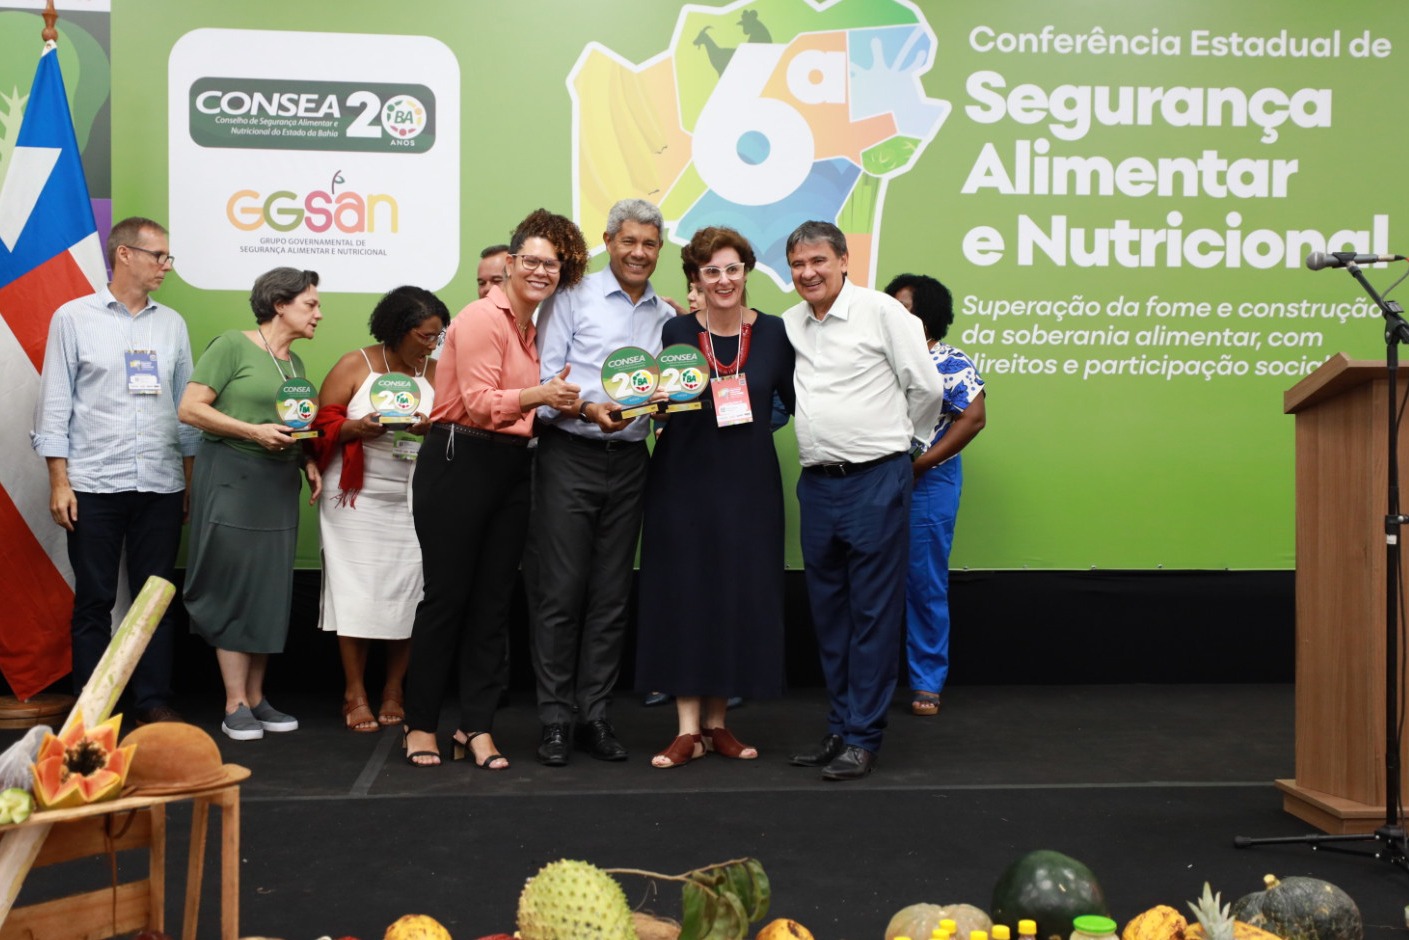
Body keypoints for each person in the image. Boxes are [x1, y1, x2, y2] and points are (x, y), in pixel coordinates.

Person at [401, 209, 587, 768]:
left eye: (552, 264)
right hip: (459, 458)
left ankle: (475, 728)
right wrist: (541, 396)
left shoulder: (532, 328)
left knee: (492, 606)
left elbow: (526, 409)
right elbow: (481, 405)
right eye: (531, 260)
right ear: (510, 262)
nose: (541, 271)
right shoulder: (484, 316)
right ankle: (420, 724)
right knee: (447, 600)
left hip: (511, 465)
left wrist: (572, 405)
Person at [782, 221, 944, 781]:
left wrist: (905, 446)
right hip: (817, 485)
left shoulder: (883, 312)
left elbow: (927, 387)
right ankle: (839, 727)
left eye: (818, 261)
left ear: (844, 260)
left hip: (876, 480)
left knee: (873, 614)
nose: (808, 273)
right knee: (830, 617)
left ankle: (863, 737)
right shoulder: (791, 324)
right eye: (798, 264)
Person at [636, 226, 794, 768]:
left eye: (732, 269)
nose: (723, 280)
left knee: (735, 595)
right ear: (696, 278)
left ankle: (718, 724)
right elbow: (660, 405)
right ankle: (687, 731)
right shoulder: (677, 330)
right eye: (711, 272)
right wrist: (655, 402)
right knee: (685, 594)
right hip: (682, 480)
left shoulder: (774, 333)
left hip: (749, 484)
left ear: (746, 271)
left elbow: (794, 402)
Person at [31, 216, 197, 725]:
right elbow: (54, 406)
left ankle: (151, 702)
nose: (166, 266)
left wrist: (187, 481)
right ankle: (92, 708)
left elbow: (185, 408)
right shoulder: (73, 318)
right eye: (158, 256)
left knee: (155, 599)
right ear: (124, 254)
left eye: (168, 257)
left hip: (161, 482)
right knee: (94, 600)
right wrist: (59, 481)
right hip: (93, 483)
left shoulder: (172, 324)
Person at [525, 197, 674, 766]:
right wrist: (588, 409)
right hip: (570, 454)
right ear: (608, 242)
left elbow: (664, 391)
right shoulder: (570, 296)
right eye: (628, 241)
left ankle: (595, 715)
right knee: (560, 593)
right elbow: (545, 385)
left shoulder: (664, 316)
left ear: (659, 250)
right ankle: (555, 720)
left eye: (649, 244)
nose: (638, 253)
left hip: (632, 461)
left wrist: (666, 407)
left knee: (612, 596)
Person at [178, 267, 324, 741]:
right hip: (232, 481)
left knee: (267, 591)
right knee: (232, 587)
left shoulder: (295, 365)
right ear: (280, 305)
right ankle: (234, 703)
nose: (319, 314)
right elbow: (190, 409)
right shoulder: (231, 346)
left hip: (277, 487)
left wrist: (307, 461)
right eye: (311, 304)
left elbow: (290, 425)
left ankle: (258, 698)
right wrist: (252, 432)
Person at [310, 287, 447, 733]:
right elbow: (320, 425)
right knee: (355, 593)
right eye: (425, 336)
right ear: (398, 329)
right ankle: (354, 693)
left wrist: (431, 428)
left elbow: (454, 426)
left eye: (438, 336)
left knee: (410, 593)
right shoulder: (356, 365)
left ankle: (393, 689)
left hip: (416, 497)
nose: (432, 344)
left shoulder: (438, 371)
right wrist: (357, 427)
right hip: (355, 498)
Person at [885, 274, 986, 718]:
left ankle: (927, 680)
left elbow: (973, 418)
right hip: (876, 479)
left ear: (928, 316)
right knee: (871, 580)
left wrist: (917, 466)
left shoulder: (949, 360)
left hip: (929, 480)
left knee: (923, 582)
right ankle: (872, 678)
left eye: (904, 308)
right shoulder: (878, 359)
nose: (894, 316)